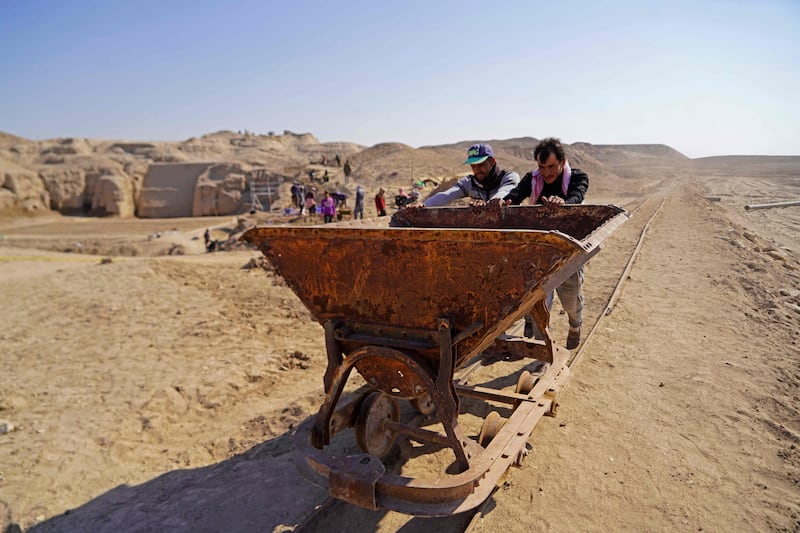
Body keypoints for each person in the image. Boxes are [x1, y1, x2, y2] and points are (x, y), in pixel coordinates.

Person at [498, 137, 589, 349]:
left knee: (570, 299)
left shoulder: (577, 177)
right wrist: (507, 201)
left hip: (568, 250)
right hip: (540, 251)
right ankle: (542, 350)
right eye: (541, 167)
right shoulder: (532, 179)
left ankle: (575, 325)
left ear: (562, 161)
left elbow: (577, 196)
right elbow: (516, 195)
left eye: (551, 167)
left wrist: (563, 204)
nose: (546, 173)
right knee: (536, 299)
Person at [422, 143, 519, 207]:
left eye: (481, 165)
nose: (477, 170)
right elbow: (446, 195)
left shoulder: (508, 177)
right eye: (473, 166)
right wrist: (423, 206)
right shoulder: (469, 182)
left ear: (492, 162)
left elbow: (505, 191)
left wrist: (491, 203)